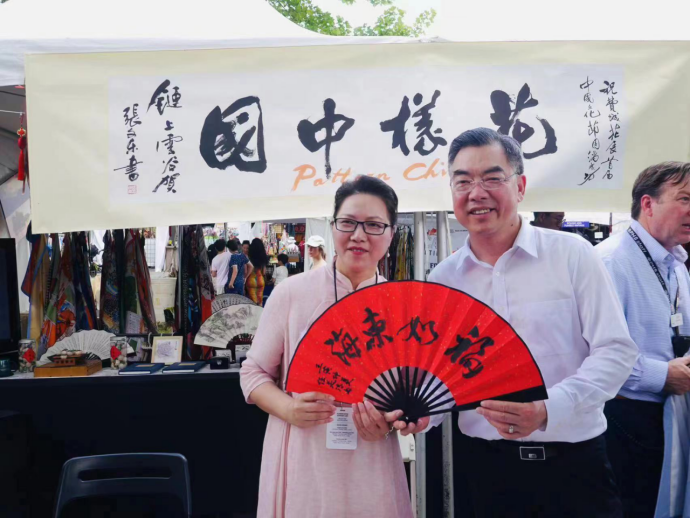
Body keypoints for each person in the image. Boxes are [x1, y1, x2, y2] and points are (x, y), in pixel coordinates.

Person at [423, 128, 638, 518]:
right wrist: (420, 414)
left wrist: (548, 408)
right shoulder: (443, 280)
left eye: (492, 178)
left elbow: (616, 350)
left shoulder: (572, 255)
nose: (476, 193)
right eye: (463, 181)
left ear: (520, 186)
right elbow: (442, 372)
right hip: (485, 468)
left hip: (574, 466)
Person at [240, 176, 423, 517]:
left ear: (391, 234)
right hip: (303, 453)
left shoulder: (402, 307)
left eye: (373, 225)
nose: (359, 235)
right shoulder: (292, 293)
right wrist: (288, 408)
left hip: (371, 457)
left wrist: (395, 421)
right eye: (348, 222)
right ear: (333, 225)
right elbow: (253, 373)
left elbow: (415, 393)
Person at [595, 161, 690, 518]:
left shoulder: (676, 263)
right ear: (648, 204)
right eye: (684, 199)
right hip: (625, 418)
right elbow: (595, 352)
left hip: (668, 412)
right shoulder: (612, 261)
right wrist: (663, 375)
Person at [246, 238, 269, 306]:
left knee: (253, 303)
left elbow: (246, 270)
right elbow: (264, 272)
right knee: (260, 301)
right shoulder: (263, 258)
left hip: (251, 280)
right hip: (260, 280)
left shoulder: (248, 258)